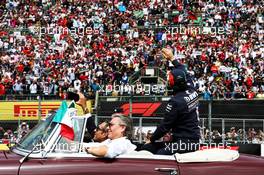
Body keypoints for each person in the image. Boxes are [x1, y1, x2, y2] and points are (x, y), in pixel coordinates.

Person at [143, 48, 200, 155]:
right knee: (149, 149)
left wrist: (151, 139)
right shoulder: (191, 88)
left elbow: (165, 126)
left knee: (159, 155)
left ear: (172, 84)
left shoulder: (176, 102)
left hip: (185, 142)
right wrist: (172, 58)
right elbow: (183, 69)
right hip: (190, 139)